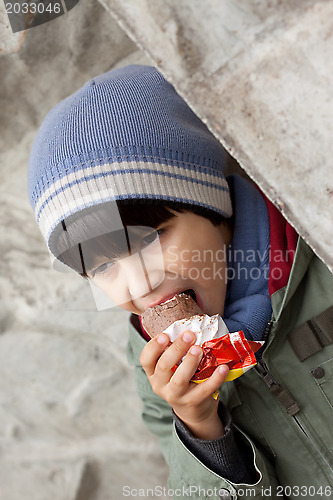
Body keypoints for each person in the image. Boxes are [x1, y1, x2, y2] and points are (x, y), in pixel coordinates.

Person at [28, 65, 333, 499]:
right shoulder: (153, 370)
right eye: (100, 267)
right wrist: (202, 427)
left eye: (149, 239)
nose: (137, 286)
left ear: (212, 204)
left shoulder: (319, 249)